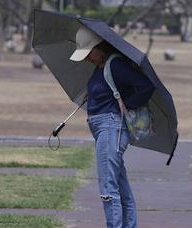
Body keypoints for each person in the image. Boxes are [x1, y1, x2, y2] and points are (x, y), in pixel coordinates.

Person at [69, 26, 154, 228]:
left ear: (99, 47)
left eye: (88, 53)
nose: (87, 58)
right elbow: (108, 90)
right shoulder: (101, 66)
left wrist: (126, 104)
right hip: (103, 129)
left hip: (111, 128)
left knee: (108, 188)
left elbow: (146, 87)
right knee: (120, 187)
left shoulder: (115, 64)